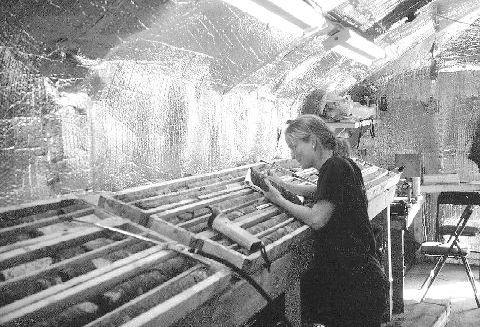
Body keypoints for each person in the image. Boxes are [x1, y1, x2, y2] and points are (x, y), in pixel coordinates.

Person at [263, 114, 388, 327]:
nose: (293, 154)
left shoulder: (333, 168)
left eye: (295, 146)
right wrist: (284, 186)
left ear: (312, 141)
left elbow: (317, 219)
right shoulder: (343, 165)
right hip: (364, 279)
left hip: (355, 286)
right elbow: (322, 191)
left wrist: (279, 200)